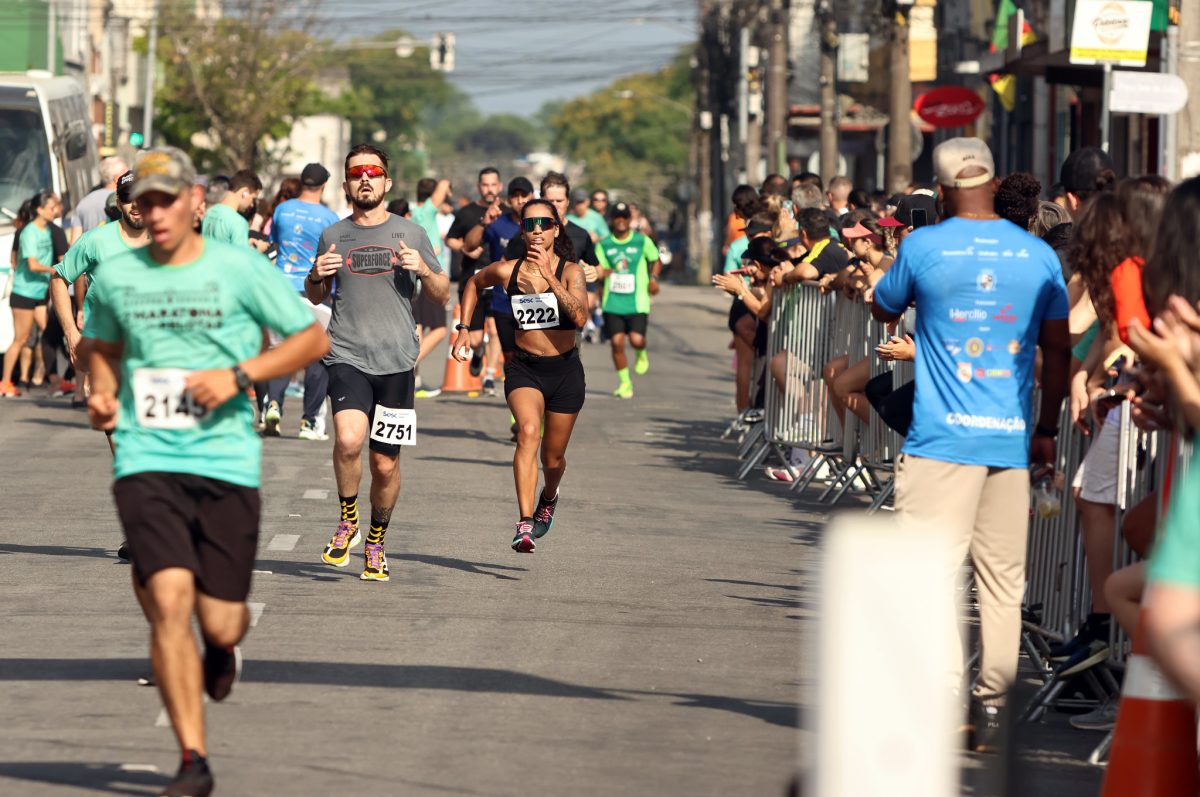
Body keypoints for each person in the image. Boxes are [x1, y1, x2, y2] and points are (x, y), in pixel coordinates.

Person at [84, 146, 330, 797]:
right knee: (167, 602)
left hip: (224, 461)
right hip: (146, 458)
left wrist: (239, 375)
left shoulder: (238, 267)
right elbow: (101, 348)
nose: (155, 211)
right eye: (144, 199)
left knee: (219, 620)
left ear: (196, 201)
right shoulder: (118, 277)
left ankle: (221, 651)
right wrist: (102, 392)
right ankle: (193, 758)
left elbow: (311, 339)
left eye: (167, 198)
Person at [870, 138, 1071, 753]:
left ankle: (945, 699)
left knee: (931, 577)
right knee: (1004, 586)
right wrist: (1047, 430)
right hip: (1008, 443)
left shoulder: (924, 245)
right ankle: (993, 710)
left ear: (946, 188)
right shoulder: (1038, 255)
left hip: (937, 442)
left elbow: (883, 309)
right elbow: (1058, 349)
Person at [306, 144, 448, 582]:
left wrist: (424, 269)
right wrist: (316, 275)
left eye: (373, 172)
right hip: (346, 354)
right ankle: (348, 520)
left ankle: (376, 541)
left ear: (387, 182)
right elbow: (315, 296)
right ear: (347, 184)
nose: (364, 179)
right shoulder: (333, 235)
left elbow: (441, 296)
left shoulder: (412, 232)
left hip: (397, 362)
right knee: (349, 441)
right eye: (356, 173)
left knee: (385, 464)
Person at [452, 198, 589, 552]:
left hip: (565, 372)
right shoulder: (506, 270)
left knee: (553, 459)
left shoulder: (571, 272)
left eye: (544, 223)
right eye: (530, 225)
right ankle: (525, 522)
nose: (537, 230)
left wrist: (547, 276)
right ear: (522, 232)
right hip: (524, 369)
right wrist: (465, 327)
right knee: (528, 432)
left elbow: (579, 317)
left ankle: (550, 495)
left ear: (556, 229)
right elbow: (472, 282)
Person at [266, 162, 341, 440]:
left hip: (280, 288)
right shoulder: (329, 218)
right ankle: (308, 422)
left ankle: (273, 404)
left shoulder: (282, 210)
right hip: (313, 292)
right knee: (317, 356)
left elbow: (275, 242)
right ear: (323, 186)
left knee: (282, 350)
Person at [464, 176, 535, 395]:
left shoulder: (541, 225)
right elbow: (470, 244)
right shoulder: (499, 223)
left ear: (532, 196)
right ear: (508, 199)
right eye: (515, 196)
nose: (520, 200)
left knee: (535, 358)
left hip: (535, 303)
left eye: (524, 195)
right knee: (512, 360)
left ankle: (533, 412)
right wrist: (485, 222)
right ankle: (519, 413)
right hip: (504, 303)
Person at [596, 201, 662, 399]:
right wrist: (603, 272)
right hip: (613, 301)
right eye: (617, 217)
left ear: (630, 219)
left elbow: (655, 259)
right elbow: (598, 268)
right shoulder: (604, 244)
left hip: (637, 301)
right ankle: (625, 382)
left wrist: (653, 279)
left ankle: (641, 352)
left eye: (625, 217)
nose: (621, 221)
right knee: (616, 342)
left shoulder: (642, 241)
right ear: (612, 220)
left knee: (636, 339)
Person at [1, 191, 61, 397]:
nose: (55, 211)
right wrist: (56, 270)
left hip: (40, 293)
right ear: (39, 210)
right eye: (51, 208)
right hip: (24, 293)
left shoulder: (46, 231)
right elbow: (33, 265)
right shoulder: (28, 232)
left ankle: (50, 379)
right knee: (21, 338)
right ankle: (5, 382)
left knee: (48, 333)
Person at [445, 167, 503, 380]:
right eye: (485, 185)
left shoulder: (506, 213)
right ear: (479, 187)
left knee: (496, 330)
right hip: (473, 280)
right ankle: (479, 353)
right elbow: (450, 239)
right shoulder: (467, 212)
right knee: (477, 339)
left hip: (499, 281)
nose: (489, 189)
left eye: (493, 185)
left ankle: (488, 376)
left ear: (500, 186)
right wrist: (464, 248)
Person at [410, 177, 453, 395]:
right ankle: (408, 367)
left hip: (418, 280)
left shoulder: (415, 214)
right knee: (439, 329)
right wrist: (447, 185)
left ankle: (414, 378)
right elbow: (443, 186)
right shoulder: (425, 211)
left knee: (418, 328)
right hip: (430, 279)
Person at [68, 156, 128, 244]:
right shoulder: (125, 199)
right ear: (117, 177)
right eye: (126, 172)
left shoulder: (83, 202)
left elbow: (74, 243)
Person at [201, 169, 262, 249]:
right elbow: (241, 259)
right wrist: (258, 250)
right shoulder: (238, 222)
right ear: (245, 192)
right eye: (253, 199)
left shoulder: (208, 212)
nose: (251, 205)